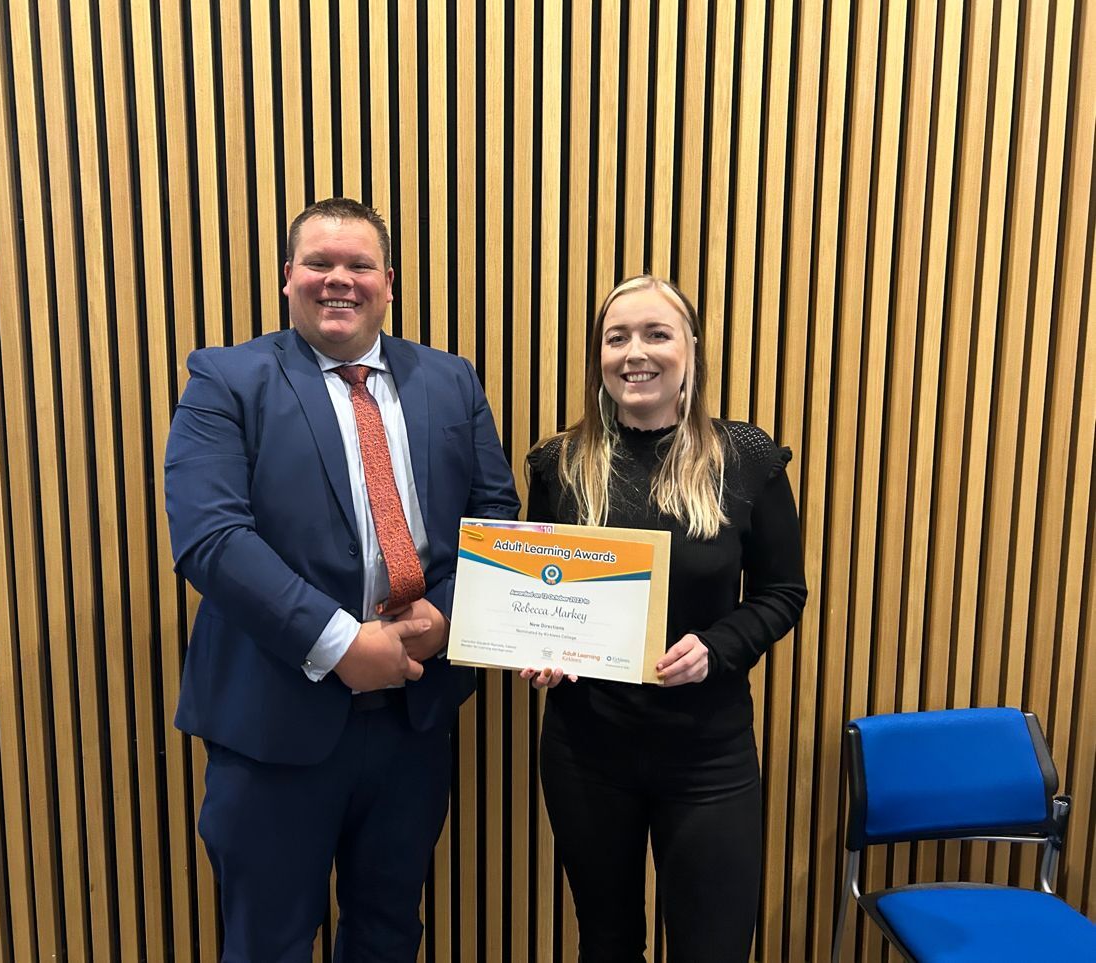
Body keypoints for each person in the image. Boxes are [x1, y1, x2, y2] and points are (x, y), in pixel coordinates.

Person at [164, 198, 519, 962]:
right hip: (272, 726)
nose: (339, 280)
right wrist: (340, 643)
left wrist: (452, 616)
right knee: (269, 944)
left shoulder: (451, 381)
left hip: (412, 726)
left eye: (358, 265)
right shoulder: (225, 379)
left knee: (390, 933)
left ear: (388, 283)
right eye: (319, 263)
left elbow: (497, 519)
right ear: (288, 277)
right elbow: (211, 539)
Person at [521, 275, 807, 962]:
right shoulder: (558, 464)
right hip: (586, 753)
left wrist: (718, 646)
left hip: (708, 754)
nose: (634, 352)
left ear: (691, 351)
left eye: (656, 333)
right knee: (609, 942)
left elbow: (783, 591)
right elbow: (538, 591)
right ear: (599, 356)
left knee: (712, 948)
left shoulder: (746, 459)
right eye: (616, 337)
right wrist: (540, 647)